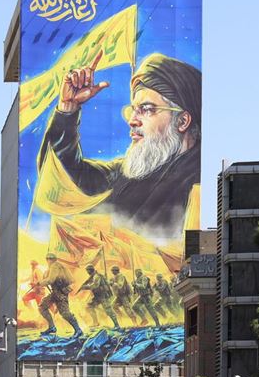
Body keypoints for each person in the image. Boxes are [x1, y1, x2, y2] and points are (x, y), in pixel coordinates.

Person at [39, 52, 202, 244]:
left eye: (147, 109)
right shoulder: (123, 174)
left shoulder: (197, 183)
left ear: (182, 121)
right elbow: (65, 181)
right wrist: (68, 108)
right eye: (133, 110)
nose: (132, 120)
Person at [39, 253, 83, 338]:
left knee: (65, 313)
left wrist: (41, 283)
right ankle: (52, 327)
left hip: (60, 293)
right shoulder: (55, 267)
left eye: (49, 259)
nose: (48, 261)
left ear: (50, 260)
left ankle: (78, 330)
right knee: (42, 306)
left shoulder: (55, 266)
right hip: (55, 292)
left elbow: (51, 280)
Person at [78, 264, 120, 329]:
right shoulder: (94, 276)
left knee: (108, 310)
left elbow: (95, 285)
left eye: (87, 271)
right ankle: (96, 322)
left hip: (103, 295)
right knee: (89, 306)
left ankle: (117, 325)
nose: (87, 272)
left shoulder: (97, 276)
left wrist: (85, 287)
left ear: (90, 270)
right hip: (98, 296)